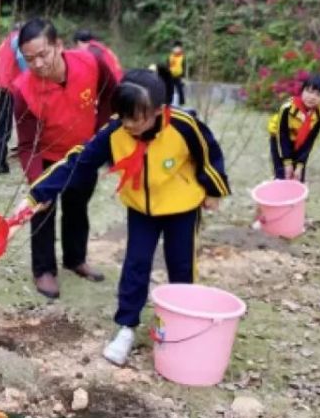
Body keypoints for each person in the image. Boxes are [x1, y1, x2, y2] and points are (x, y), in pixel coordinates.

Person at [17, 69, 229, 365]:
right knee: (135, 265)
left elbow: (209, 154)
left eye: (137, 118)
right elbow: (80, 162)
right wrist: (38, 194)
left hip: (182, 207)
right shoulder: (116, 131)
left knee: (181, 264)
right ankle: (127, 327)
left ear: (159, 110)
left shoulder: (183, 125)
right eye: (123, 116)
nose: (129, 125)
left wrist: (213, 190)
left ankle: (183, 324)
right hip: (141, 210)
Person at [12, 18, 119, 299]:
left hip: (84, 154)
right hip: (49, 158)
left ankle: (75, 259)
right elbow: (27, 145)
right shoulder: (24, 90)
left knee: (77, 208)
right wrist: (38, 185)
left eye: (42, 54)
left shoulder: (91, 63)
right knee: (43, 212)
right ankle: (44, 270)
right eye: (29, 58)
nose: (37, 64)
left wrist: (102, 131)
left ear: (59, 46)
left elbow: (111, 92)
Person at [267, 73, 320, 182]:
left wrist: (300, 165)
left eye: (318, 95)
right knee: (282, 175)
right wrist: (287, 162)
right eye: (309, 91)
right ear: (302, 90)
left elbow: (309, 141)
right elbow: (282, 136)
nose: (312, 97)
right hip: (280, 140)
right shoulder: (288, 108)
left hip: (301, 143)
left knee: (298, 178)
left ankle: (296, 197)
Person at [0, 24, 27, 174]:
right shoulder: (18, 39)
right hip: (3, 86)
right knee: (4, 128)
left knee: (0, 126)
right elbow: (22, 60)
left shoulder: (4, 42)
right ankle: (0, 165)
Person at [168, 41, 186, 106]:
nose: (177, 49)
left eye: (178, 48)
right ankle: (169, 102)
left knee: (180, 89)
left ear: (181, 49)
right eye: (175, 48)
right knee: (170, 89)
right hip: (171, 75)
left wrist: (183, 77)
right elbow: (168, 65)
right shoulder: (170, 56)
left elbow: (184, 67)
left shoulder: (182, 57)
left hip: (179, 75)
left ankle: (181, 103)